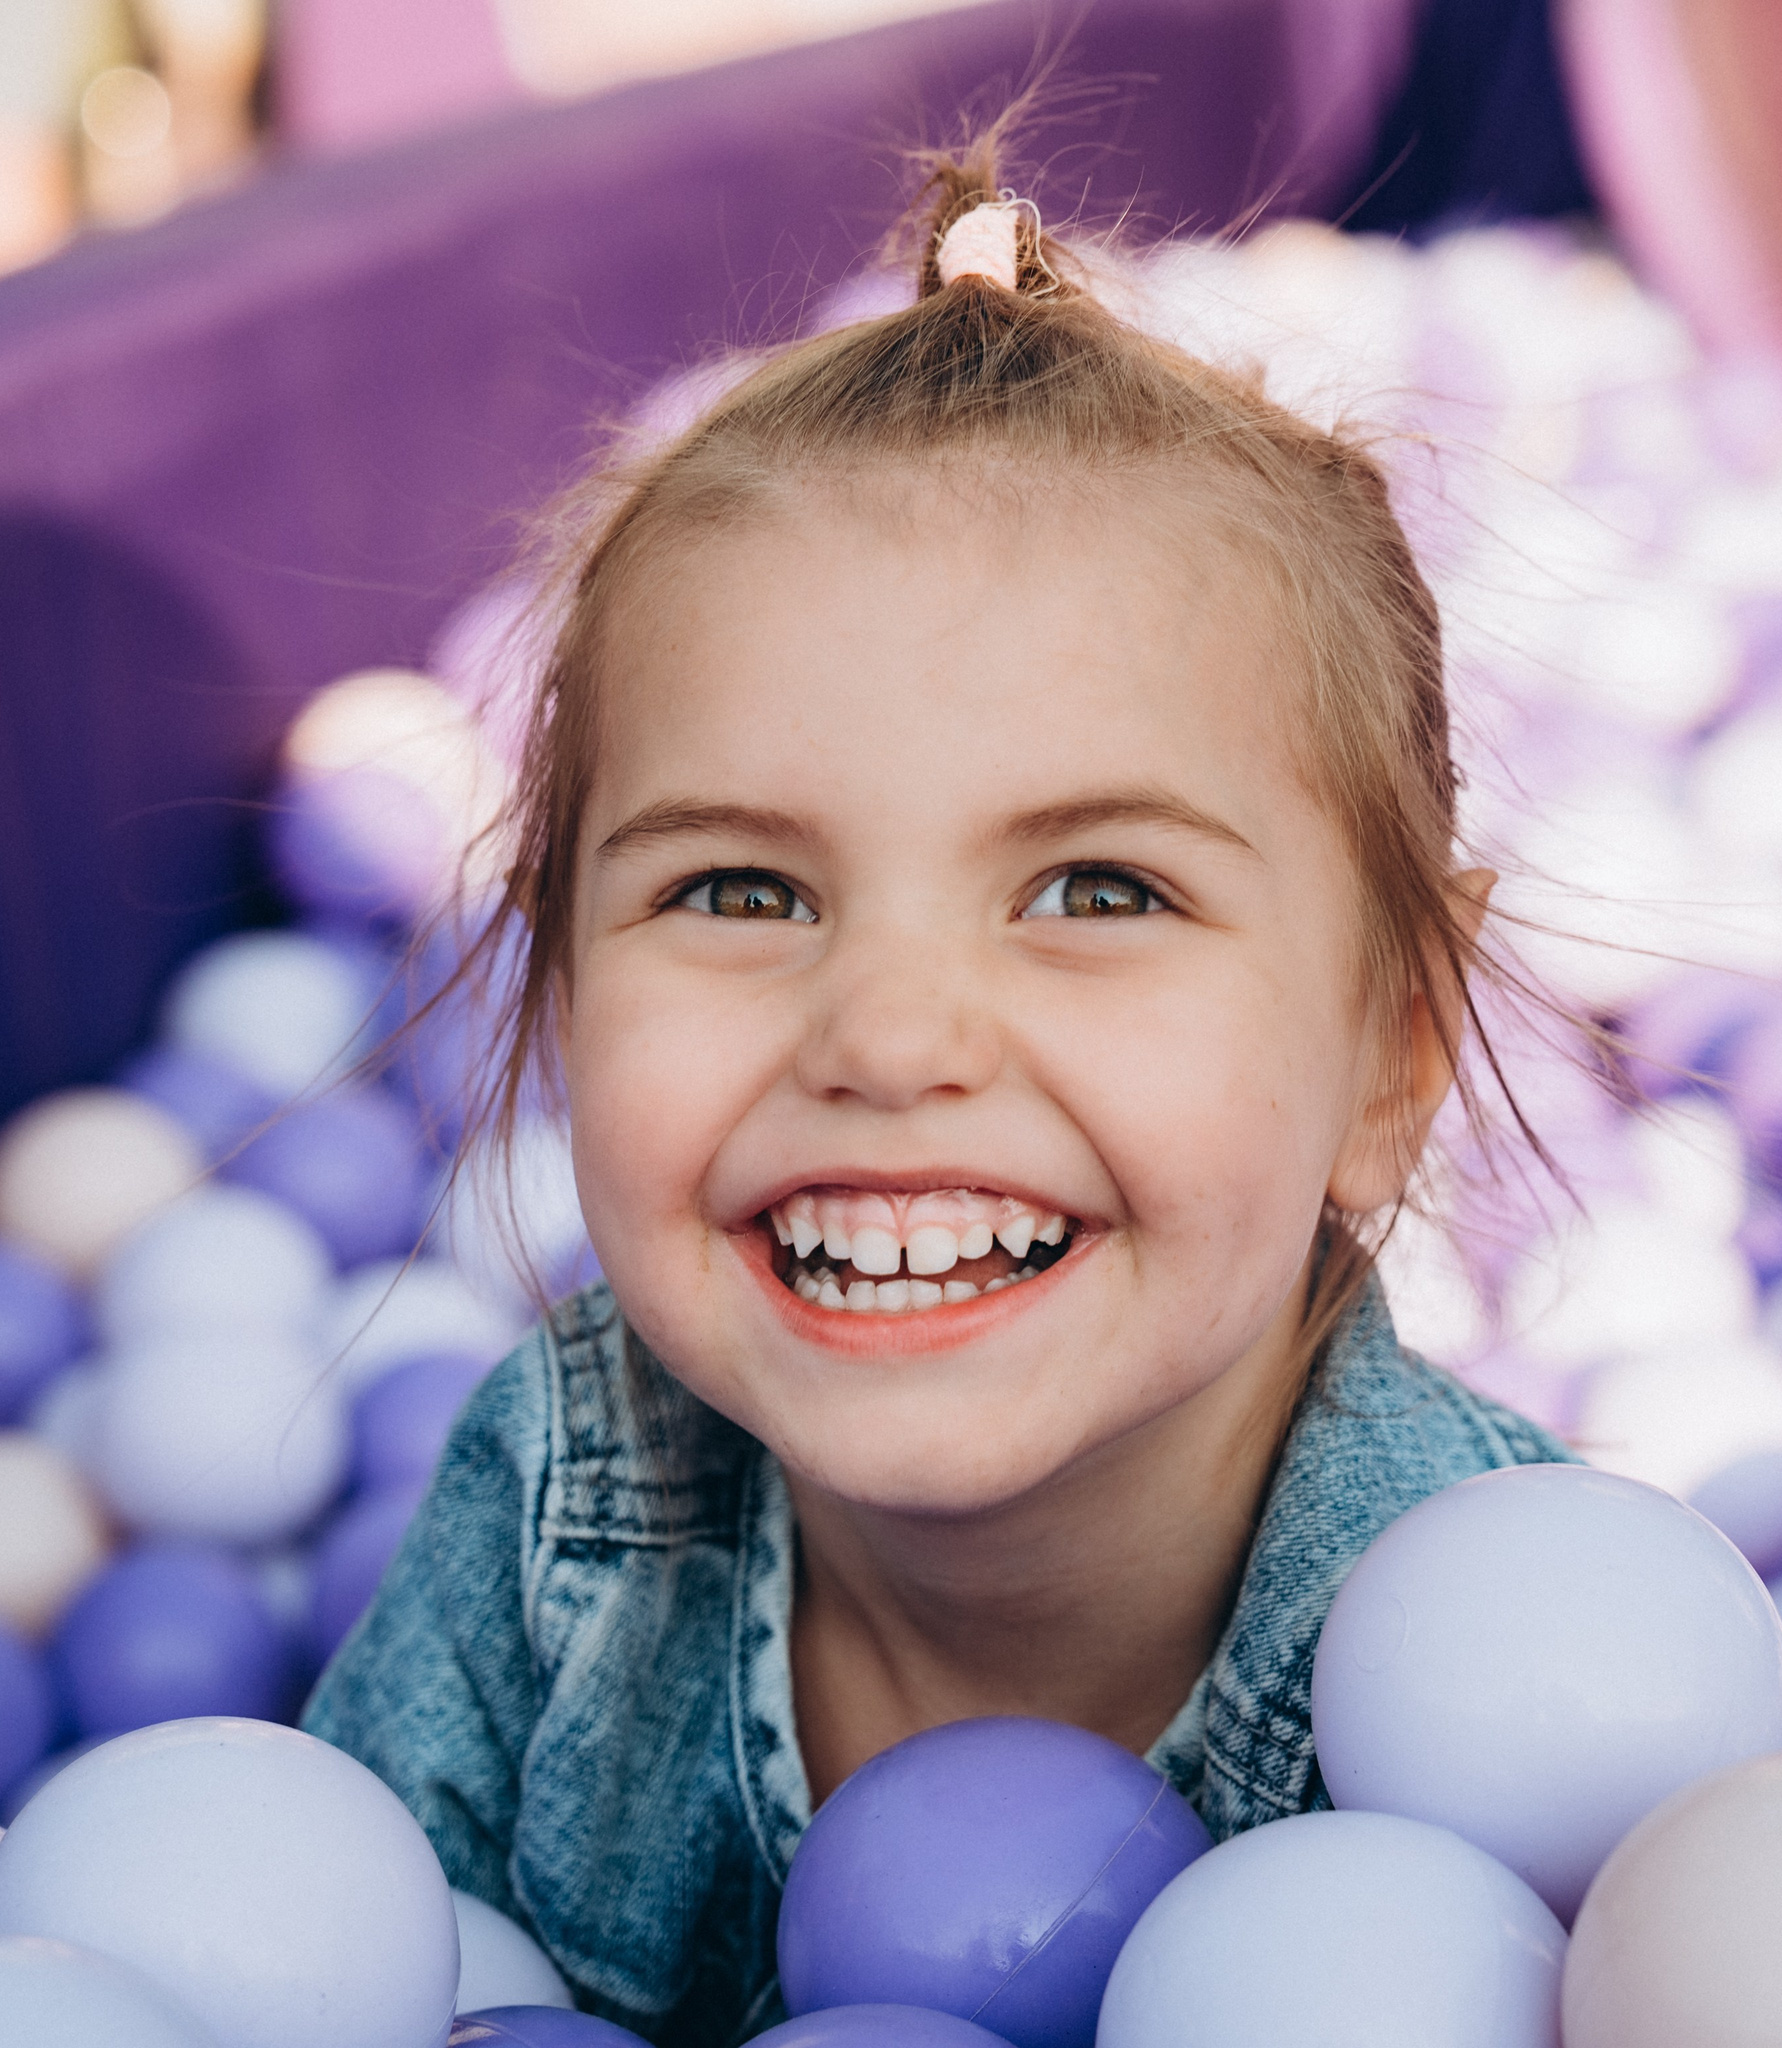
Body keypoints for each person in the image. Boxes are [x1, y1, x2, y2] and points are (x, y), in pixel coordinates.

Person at [303, 135, 1570, 2046]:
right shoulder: (560, 1510)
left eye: (1097, 891)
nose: (889, 1040)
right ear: (560, 996)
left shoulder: (1531, 1662)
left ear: (1391, 1054)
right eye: (741, 891)